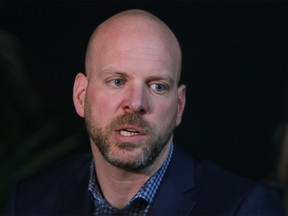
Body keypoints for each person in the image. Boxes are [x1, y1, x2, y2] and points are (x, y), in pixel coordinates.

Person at [5, 9, 284, 215]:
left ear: (179, 106)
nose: (136, 102)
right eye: (117, 81)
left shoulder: (246, 207)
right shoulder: (29, 200)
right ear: (81, 96)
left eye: (157, 86)